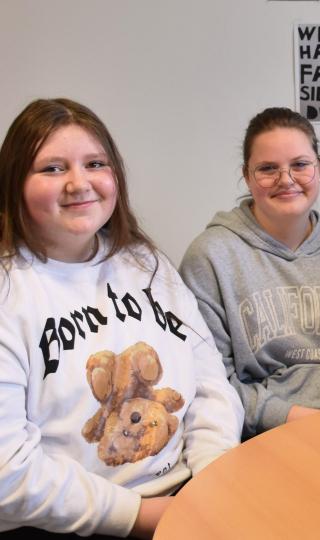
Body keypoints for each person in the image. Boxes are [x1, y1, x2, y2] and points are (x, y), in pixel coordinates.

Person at [0, 98, 243, 537]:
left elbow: (211, 387)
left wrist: (213, 483)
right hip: (68, 525)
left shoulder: (146, 262)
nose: (79, 184)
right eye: (52, 168)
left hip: (191, 495)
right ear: (14, 181)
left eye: (95, 163)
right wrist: (147, 517)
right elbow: (9, 472)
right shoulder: (10, 290)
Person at [179, 107, 320, 439]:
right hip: (258, 438)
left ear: (319, 168)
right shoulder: (211, 257)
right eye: (268, 168)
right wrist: (299, 419)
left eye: (300, 165)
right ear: (247, 175)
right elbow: (210, 379)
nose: (286, 179)